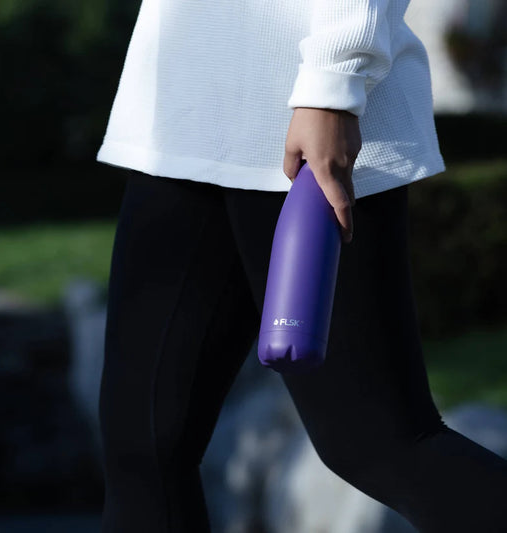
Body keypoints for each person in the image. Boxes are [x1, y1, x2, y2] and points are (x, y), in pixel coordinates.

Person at [96, 0, 507, 531]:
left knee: (378, 441)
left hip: (300, 114)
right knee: (143, 446)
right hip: (183, 117)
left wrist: (334, 80)